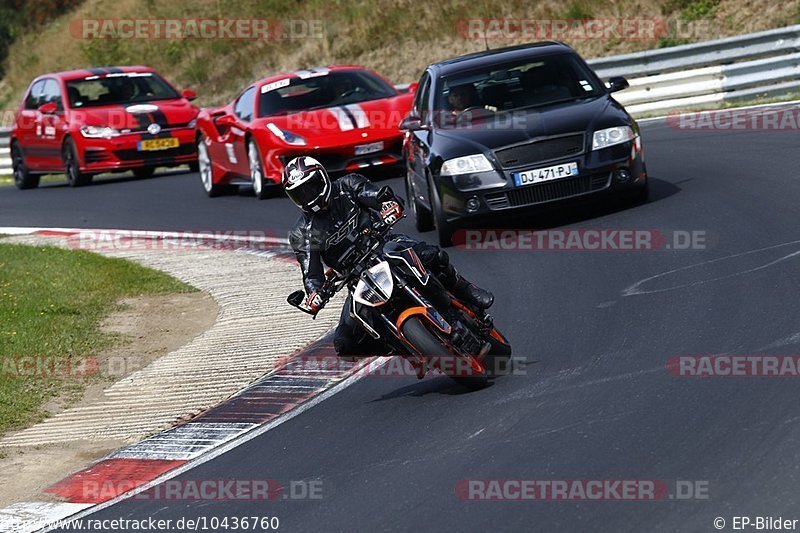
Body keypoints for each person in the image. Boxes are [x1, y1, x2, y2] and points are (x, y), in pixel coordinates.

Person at [284, 156, 494, 357]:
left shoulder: (348, 185)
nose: (308, 196)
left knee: (432, 255)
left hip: (385, 245)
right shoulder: (302, 232)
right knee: (344, 342)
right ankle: (410, 348)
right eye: (300, 194)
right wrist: (314, 294)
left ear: (322, 177)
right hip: (357, 278)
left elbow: (375, 195)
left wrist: (388, 204)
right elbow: (310, 272)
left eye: (310, 187)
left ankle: (466, 289)